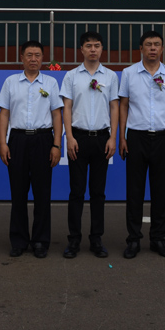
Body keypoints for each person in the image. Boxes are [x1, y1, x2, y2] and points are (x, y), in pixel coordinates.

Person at [118, 30, 165, 259]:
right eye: (148, 44)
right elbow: (124, 105)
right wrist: (122, 137)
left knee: (160, 192)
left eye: (157, 44)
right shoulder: (128, 73)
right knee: (134, 192)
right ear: (141, 48)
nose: (153, 48)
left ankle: (158, 239)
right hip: (136, 137)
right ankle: (133, 240)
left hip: (163, 138)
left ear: (162, 48)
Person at [0, 40, 63, 258]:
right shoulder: (10, 82)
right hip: (17, 139)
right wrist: (3, 143)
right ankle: (19, 240)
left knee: (42, 193)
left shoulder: (51, 83)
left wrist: (56, 144)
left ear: (43, 58)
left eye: (37, 55)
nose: (33, 59)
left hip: (43, 139)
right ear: (22, 58)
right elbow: (4, 114)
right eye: (29, 55)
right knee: (18, 193)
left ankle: (41, 241)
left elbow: (57, 115)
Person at [60, 30, 118, 258]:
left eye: (97, 45)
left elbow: (114, 107)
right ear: (81, 50)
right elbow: (66, 107)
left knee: (98, 192)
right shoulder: (71, 76)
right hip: (78, 138)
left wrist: (113, 137)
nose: (93, 49)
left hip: (102, 138)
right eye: (88, 46)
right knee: (76, 191)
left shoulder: (111, 76)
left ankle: (96, 239)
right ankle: (74, 240)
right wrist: (69, 137)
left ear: (102, 49)